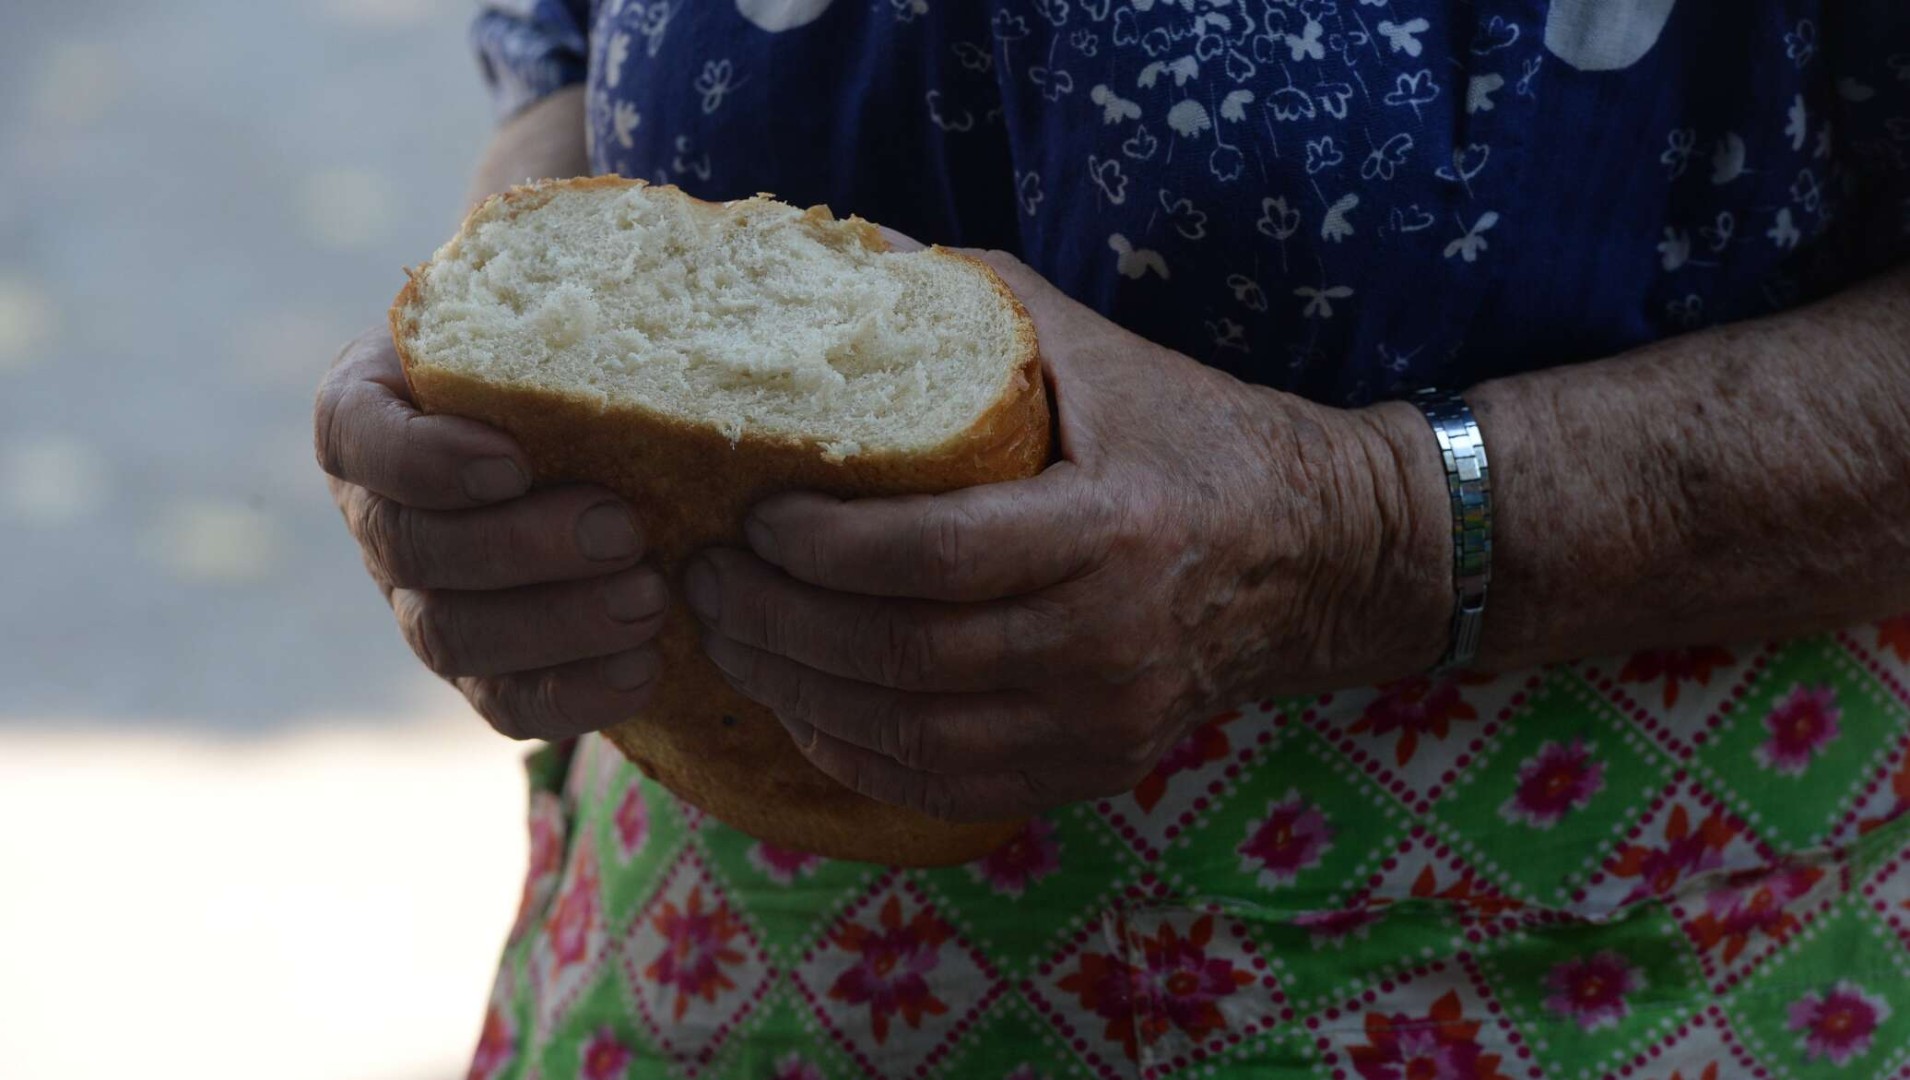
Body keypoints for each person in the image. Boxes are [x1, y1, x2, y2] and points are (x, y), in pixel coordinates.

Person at [315, 3, 1910, 1077]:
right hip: (740, 946)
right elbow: (570, 57)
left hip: (1601, 950)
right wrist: (504, 383)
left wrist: (1373, 531)